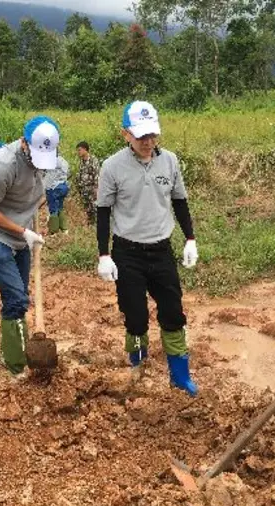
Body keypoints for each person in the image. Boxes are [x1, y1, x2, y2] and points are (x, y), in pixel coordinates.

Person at [96, 101, 199, 395]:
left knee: (173, 312)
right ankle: (137, 368)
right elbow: (103, 212)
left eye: (152, 135)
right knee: (136, 316)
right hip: (127, 252)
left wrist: (190, 238)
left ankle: (180, 376)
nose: (148, 142)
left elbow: (179, 201)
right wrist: (104, 254)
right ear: (125, 133)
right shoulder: (112, 167)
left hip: (161, 248)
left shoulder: (169, 161)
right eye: (141, 136)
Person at [0, 116, 57, 378]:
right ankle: (17, 363)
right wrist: (22, 230)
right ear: (24, 143)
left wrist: (31, 223)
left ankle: (23, 350)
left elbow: (36, 195)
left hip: (22, 233)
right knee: (16, 298)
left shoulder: (48, 158)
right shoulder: (1, 165)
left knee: (19, 296)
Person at [43, 155, 70, 235]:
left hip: (53, 188)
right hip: (63, 186)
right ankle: (64, 229)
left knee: (53, 209)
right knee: (60, 207)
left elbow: (47, 176)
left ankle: (53, 231)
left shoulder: (50, 161)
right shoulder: (63, 160)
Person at [76, 141, 100, 225]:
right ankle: (90, 225)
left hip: (92, 189)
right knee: (87, 210)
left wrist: (96, 189)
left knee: (95, 208)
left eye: (80, 150)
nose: (78, 152)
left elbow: (97, 175)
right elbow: (79, 175)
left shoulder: (93, 160)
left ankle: (98, 226)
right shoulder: (81, 162)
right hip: (84, 190)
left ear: (85, 150)